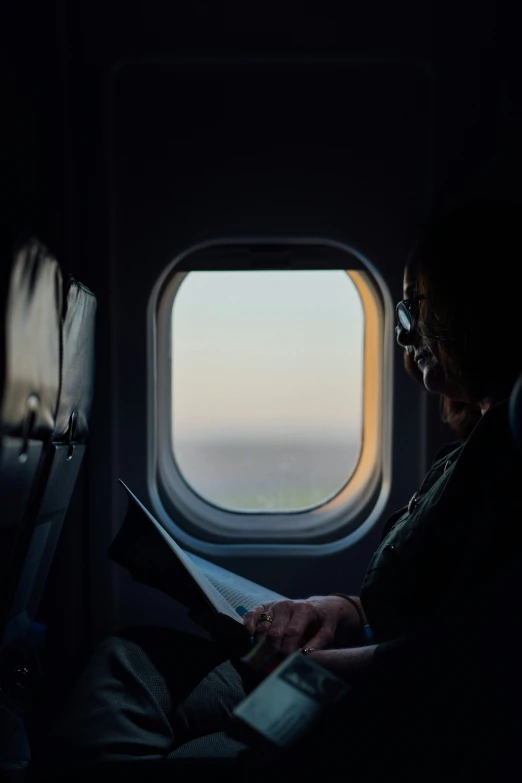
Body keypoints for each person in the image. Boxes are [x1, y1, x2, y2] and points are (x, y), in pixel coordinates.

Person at [33, 199, 522, 781]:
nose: (403, 331)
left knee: (166, 751)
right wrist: (332, 610)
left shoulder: (510, 459)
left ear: (471, 306)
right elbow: (422, 599)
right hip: (348, 665)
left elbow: (475, 647)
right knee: (127, 661)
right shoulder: (469, 454)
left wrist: (321, 671)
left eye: (415, 305)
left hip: (387, 704)